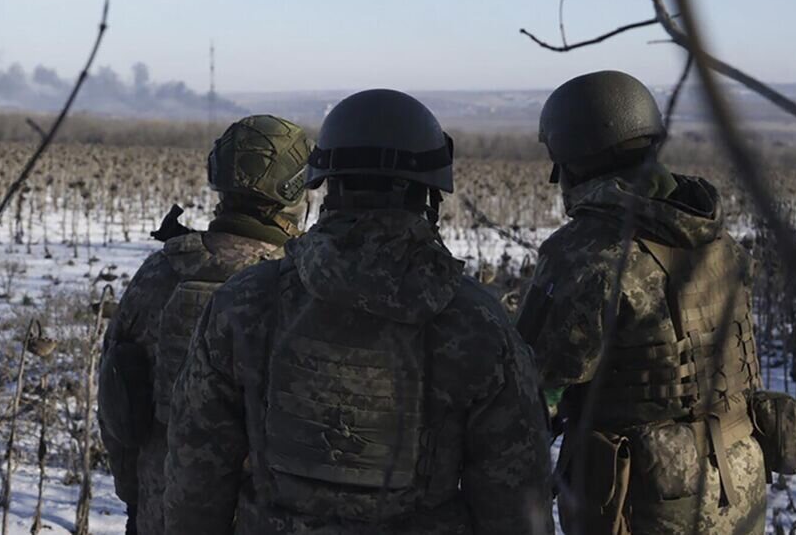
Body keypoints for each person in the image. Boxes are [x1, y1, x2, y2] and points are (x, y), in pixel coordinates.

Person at [165, 89, 554, 535]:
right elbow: (516, 501)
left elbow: (196, 475)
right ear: (429, 193)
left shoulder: (243, 304)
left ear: (325, 181)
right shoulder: (478, 325)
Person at [516, 70, 774, 534]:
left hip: (646, 498)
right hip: (742, 479)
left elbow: (534, 383)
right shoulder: (719, 240)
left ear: (573, 161)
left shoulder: (586, 253)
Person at [97, 114, 311, 535]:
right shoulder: (302, 288)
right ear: (295, 191)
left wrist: (139, 500)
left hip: (161, 513)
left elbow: (116, 404)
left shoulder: (160, 273)